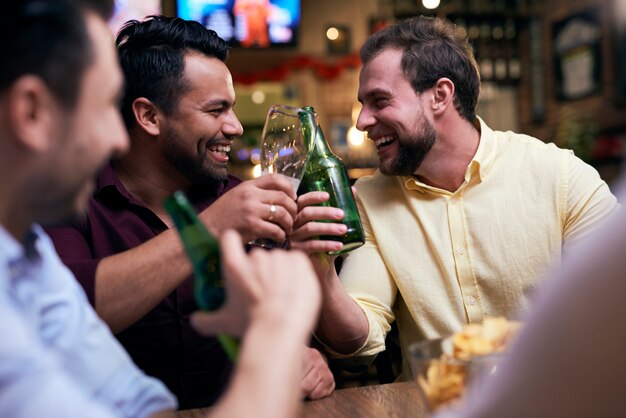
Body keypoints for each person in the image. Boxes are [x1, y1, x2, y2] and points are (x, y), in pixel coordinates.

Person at [1, 1, 323, 417]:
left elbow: (139, 402)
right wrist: (276, 337)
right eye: (101, 107)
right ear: (30, 111)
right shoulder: (57, 213)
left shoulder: (27, 256)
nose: (118, 140)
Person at [291, 15, 619, 381]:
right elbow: (357, 343)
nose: (362, 121)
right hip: (436, 405)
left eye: (379, 101)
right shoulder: (369, 198)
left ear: (440, 95)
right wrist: (318, 266)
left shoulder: (560, 175)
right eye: (363, 104)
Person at [434, 177, 626, 418]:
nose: (369, 135)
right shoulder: (373, 200)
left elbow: (601, 319)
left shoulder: (564, 177)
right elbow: (373, 312)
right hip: (432, 398)